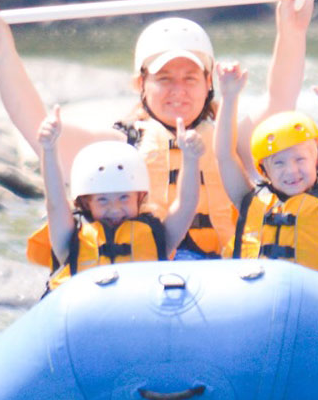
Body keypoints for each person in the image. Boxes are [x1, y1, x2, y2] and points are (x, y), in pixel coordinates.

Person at [0, 0, 318, 259]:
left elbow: (279, 101)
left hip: (230, 273)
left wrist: (292, 30)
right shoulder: (118, 146)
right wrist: (2, 53)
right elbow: (34, 125)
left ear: (208, 83)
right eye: (164, 78)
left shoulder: (232, 140)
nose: (178, 91)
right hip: (147, 275)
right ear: (141, 84)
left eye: (190, 78)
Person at [211, 62, 318, 281]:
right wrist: (229, 98)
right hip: (257, 297)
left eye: (300, 159)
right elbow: (224, 156)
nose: (291, 170)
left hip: (315, 299)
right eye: (279, 163)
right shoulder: (249, 200)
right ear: (264, 170)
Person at [26, 105, 203, 289]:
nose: (115, 209)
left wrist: (190, 158)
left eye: (124, 198)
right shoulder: (69, 241)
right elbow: (55, 203)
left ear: (139, 197)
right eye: (102, 200)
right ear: (86, 203)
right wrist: (49, 149)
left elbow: (187, 204)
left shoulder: (159, 237)